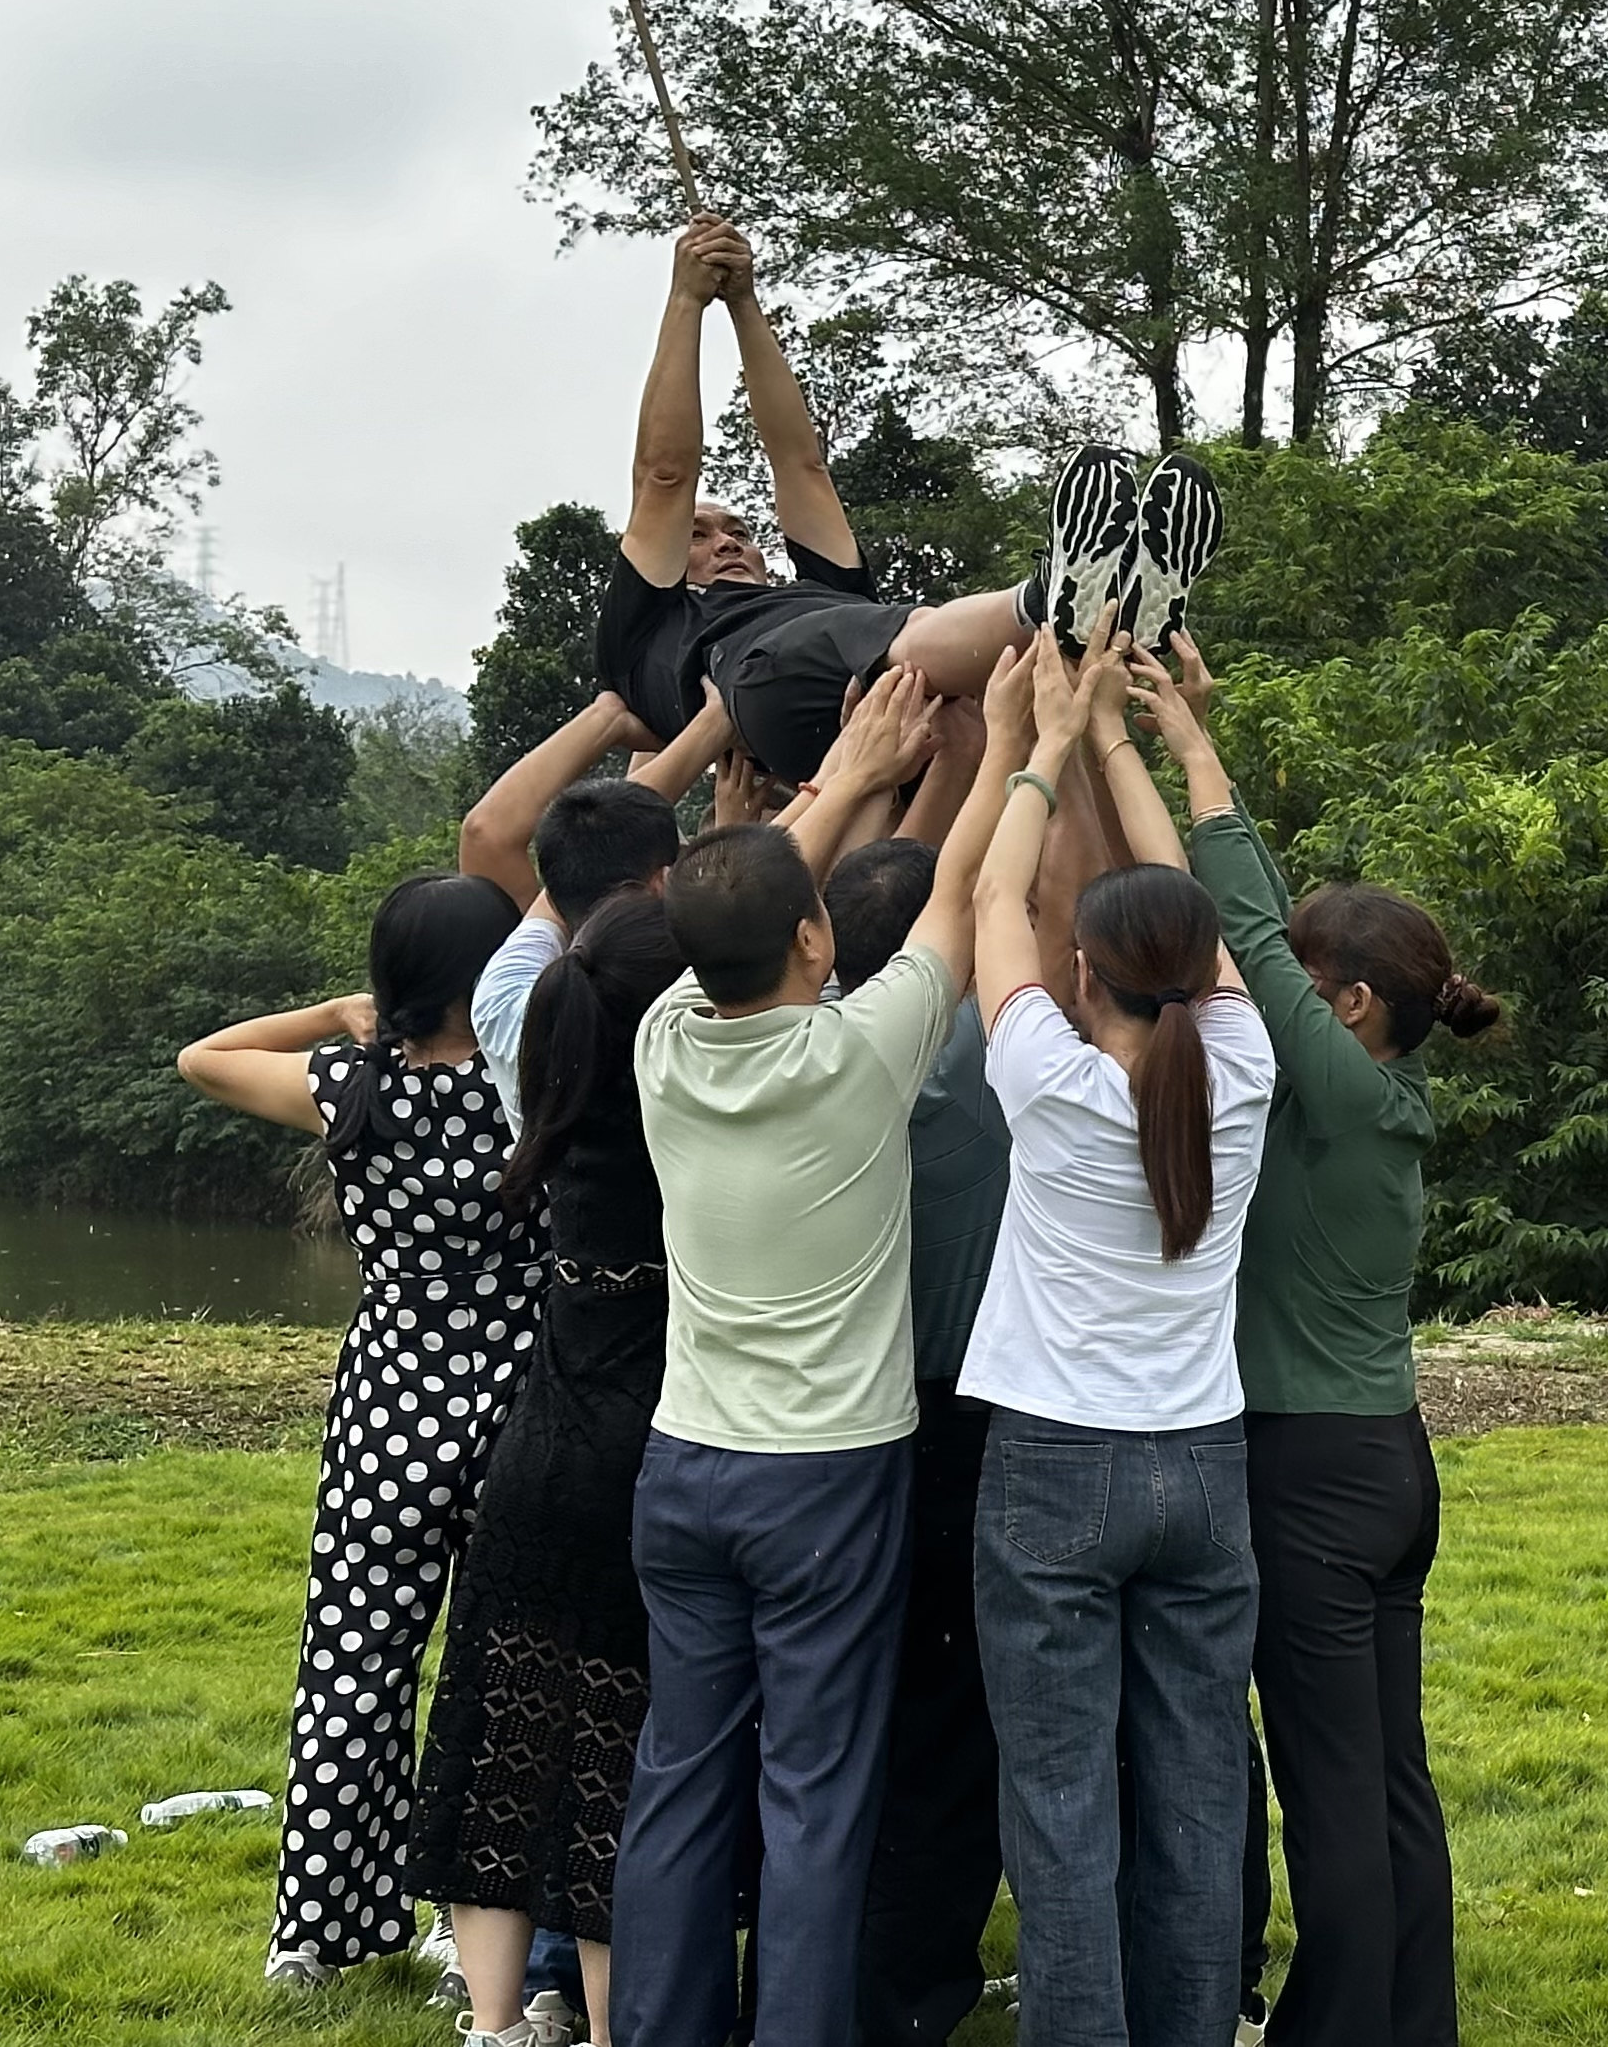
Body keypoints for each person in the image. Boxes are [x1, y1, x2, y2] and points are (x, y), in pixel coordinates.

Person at [618, 681, 1001, 2045]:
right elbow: (958, 893)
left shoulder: (664, 1044)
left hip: (684, 1469)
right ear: (812, 934)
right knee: (818, 1788)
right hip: (826, 1480)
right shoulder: (858, 1057)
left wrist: (848, 771)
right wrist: (1012, 735)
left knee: (680, 1773)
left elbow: (742, 911)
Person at [1126, 640, 1495, 2047]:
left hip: (1310, 1478)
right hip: (1385, 1469)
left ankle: (1338, 2030)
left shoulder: (1332, 1088)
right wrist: (1196, 742)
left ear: (1346, 1009)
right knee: (1388, 1773)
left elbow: (1245, 934)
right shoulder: (1364, 1090)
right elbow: (1271, 932)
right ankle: (1413, 2023)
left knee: (1333, 1783)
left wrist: (1188, 753)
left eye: (1304, 980)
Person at [955, 641, 1279, 2046]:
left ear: (1083, 967)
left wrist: (1038, 741)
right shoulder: (1247, 1068)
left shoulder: (1046, 1079)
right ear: (1200, 972)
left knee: (1061, 1789)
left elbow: (984, 895)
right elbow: (1194, 921)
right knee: (1203, 1782)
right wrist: (1127, 749)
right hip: (1202, 1469)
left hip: (1053, 1470)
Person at [178, 873, 549, 1989]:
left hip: (390, 1401)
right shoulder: (539, 1082)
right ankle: (475, 1937)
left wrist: (344, 1016)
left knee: (354, 1666)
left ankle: (316, 1937)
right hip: (521, 1399)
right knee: (503, 1678)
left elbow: (204, 1057)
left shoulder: (352, 1085)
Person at [593, 218, 1165, 791]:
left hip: (886, 724)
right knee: (905, 635)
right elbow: (665, 477)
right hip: (768, 682)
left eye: (740, 532)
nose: (727, 541)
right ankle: (1046, 601)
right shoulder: (650, 628)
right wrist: (687, 297)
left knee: (1018, 732)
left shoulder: (819, 594)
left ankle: (1112, 617)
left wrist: (745, 302)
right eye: (698, 535)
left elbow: (801, 464)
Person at [404, 891, 685, 2047]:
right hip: (649, 1460)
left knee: (500, 1738)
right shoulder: (696, 1106)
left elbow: (513, 954)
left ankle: (494, 2024)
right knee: (619, 1761)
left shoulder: (546, 1090)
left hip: (538, 1453)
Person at [839, 833, 1024, 2047]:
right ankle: (906, 1989)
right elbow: (1015, 911)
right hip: (964, 1417)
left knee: (852, 1712)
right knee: (950, 1721)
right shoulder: (975, 1070)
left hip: (839, 1428)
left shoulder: (812, 1061)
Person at [459, 693, 730, 1130]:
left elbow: (496, 838)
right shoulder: (696, 1005)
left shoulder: (504, 1006)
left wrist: (692, 725)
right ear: (662, 882)